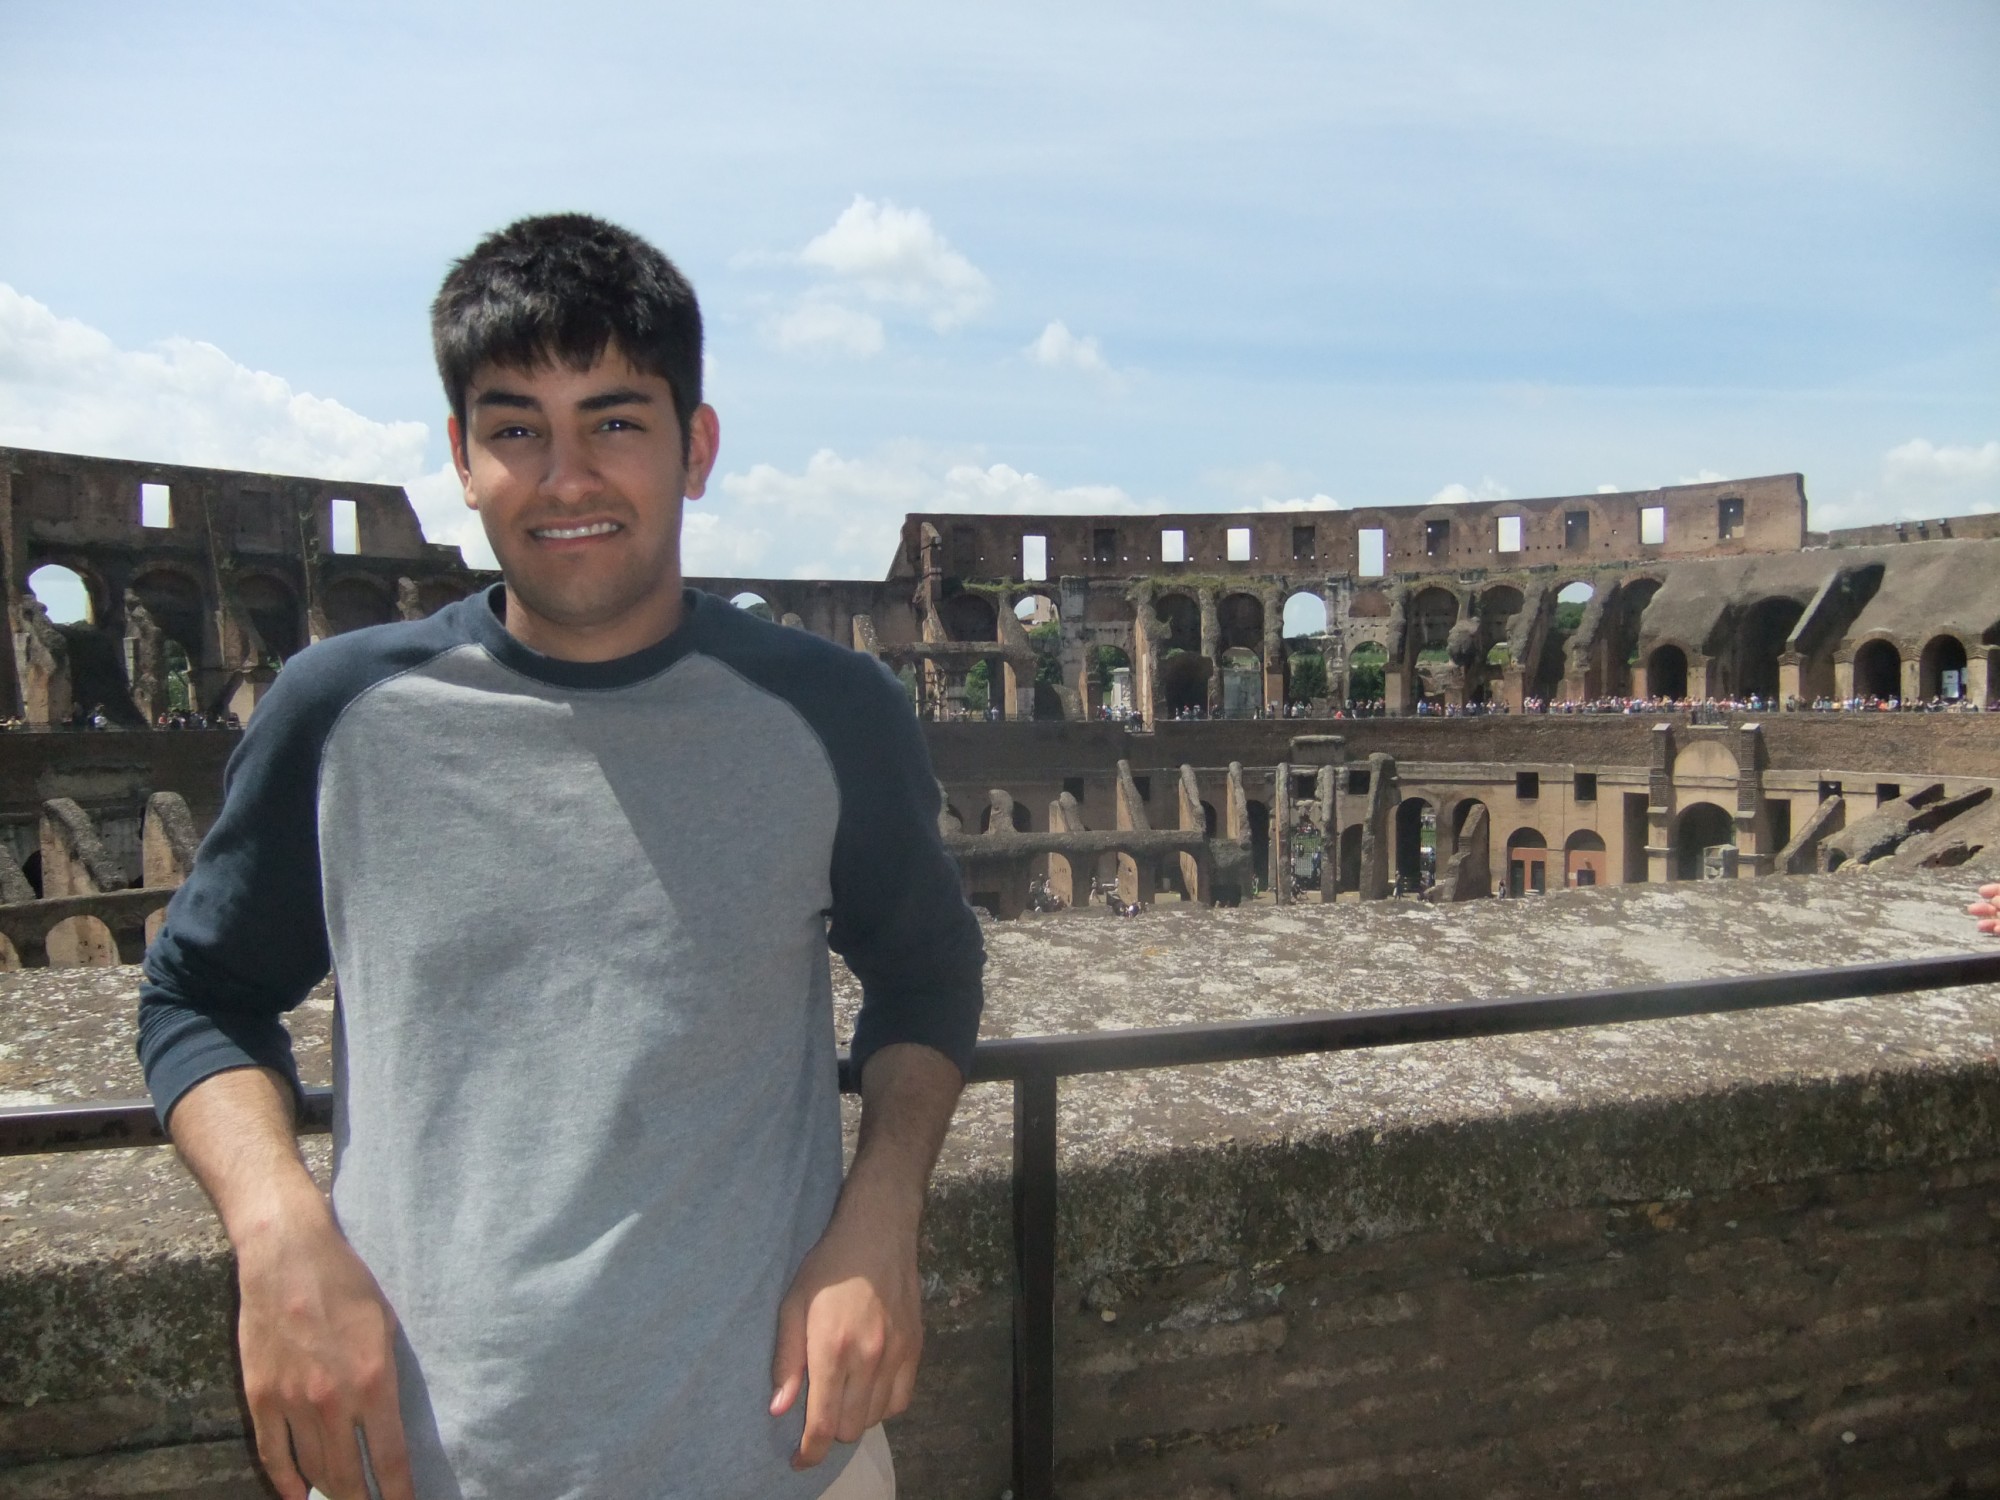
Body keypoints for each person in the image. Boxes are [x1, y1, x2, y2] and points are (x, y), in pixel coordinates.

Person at [136, 214, 985, 1500]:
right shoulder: (339, 713)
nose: (567, 475)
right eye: (516, 427)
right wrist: (275, 1229)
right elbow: (197, 997)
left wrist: (882, 1217)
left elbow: (926, 979)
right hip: (414, 1460)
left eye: (616, 420)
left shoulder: (832, 714)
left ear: (695, 448)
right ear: (460, 462)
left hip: (775, 1456)